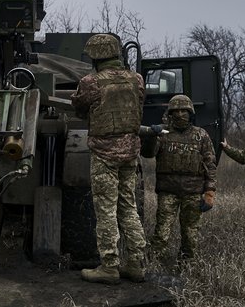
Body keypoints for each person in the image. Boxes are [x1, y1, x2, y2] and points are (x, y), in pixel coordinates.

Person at [71, 34, 147, 285]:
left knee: (106, 211)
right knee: (128, 208)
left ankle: (109, 266)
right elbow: (139, 106)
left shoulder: (90, 82)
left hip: (104, 153)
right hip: (130, 152)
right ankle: (136, 264)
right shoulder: (136, 79)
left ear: (95, 57)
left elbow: (80, 109)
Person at [141, 94, 217, 266]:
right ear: (170, 113)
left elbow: (210, 165)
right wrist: (152, 135)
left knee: (190, 234)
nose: (180, 114)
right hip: (168, 191)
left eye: (184, 111)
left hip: (193, 192)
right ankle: (153, 265)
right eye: (176, 111)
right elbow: (148, 154)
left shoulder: (201, 135)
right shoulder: (163, 133)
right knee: (161, 233)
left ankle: (187, 266)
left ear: (191, 113)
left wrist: (210, 192)